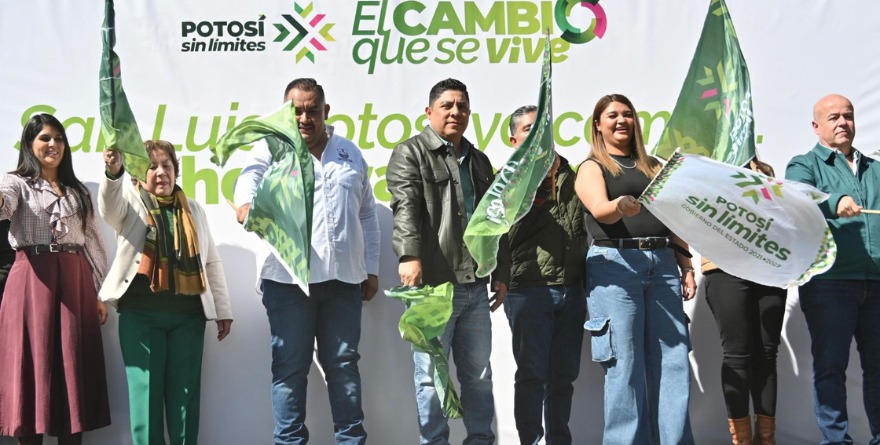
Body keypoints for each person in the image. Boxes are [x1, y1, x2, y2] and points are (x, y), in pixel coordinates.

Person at [234, 78, 380, 445]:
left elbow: (367, 213)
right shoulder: (272, 148)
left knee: (344, 368)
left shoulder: (349, 153)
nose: (304, 118)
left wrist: (371, 268)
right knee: (289, 368)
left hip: (343, 282)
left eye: (312, 110)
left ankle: (351, 441)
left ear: (325, 111)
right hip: (287, 282)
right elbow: (248, 179)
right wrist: (247, 204)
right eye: (296, 111)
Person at [574, 94, 695, 445]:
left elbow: (674, 217)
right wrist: (619, 205)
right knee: (623, 364)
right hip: (615, 266)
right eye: (612, 115)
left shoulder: (654, 166)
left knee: (673, 361)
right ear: (598, 124)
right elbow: (599, 209)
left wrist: (686, 264)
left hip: (663, 264)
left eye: (627, 114)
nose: (621, 120)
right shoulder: (592, 167)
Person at [99, 140, 234, 445]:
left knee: (185, 404)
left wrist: (223, 309)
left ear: (176, 170)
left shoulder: (194, 209)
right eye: (152, 167)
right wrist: (113, 172)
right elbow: (108, 207)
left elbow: (210, 261)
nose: (161, 172)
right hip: (140, 317)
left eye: (167, 165)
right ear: (139, 174)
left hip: (188, 318)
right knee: (145, 401)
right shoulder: (130, 203)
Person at [386, 78, 496, 445]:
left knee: (479, 377)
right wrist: (409, 254)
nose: (455, 112)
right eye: (447, 105)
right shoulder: (410, 153)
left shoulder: (479, 160)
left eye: (462, 106)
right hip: (433, 287)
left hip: (476, 287)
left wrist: (502, 271)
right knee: (430, 378)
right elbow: (405, 206)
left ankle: (480, 440)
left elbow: (494, 220)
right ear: (429, 111)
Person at [0, 113, 110, 445]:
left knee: (71, 367)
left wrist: (98, 292)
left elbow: (92, 243)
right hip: (31, 281)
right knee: (32, 369)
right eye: (45, 138)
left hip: (75, 282)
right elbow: (4, 203)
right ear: (29, 144)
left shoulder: (78, 191)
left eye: (58, 138)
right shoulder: (16, 183)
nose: (53, 144)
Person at [785, 94, 880, 445]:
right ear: (816, 126)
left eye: (848, 116)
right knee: (830, 367)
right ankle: (836, 441)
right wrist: (835, 201)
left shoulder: (875, 168)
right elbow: (798, 196)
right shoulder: (803, 164)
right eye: (834, 117)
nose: (843, 122)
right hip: (830, 282)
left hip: (877, 281)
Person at [494, 105, 587, 445]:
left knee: (564, 377)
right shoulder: (506, 179)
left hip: (572, 289)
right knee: (532, 375)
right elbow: (497, 236)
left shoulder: (573, 175)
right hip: (528, 290)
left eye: (542, 128)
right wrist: (527, 182)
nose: (537, 135)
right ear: (513, 139)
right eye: (528, 129)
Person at [703, 157, 787, 445]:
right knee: (737, 355)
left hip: (768, 269)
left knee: (767, 355)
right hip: (724, 270)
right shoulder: (709, 171)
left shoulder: (765, 171)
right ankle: (742, 441)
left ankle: (767, 440)